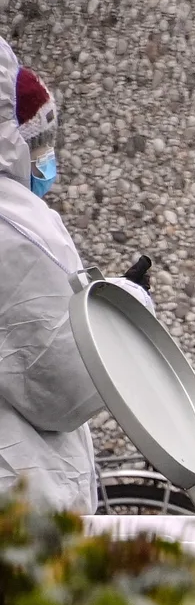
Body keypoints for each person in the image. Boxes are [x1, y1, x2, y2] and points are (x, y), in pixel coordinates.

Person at [0, 39, 104, 514]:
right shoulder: (15, 223)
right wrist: (123, 311)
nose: (45, 158)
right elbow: (60, 384)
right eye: (37, 142)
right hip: (21, 501)